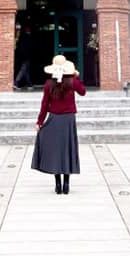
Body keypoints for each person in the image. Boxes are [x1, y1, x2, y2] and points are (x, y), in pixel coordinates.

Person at [32, 54, 86, 195]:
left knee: (55, 150)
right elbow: (83, 92)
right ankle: (66, 183)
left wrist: (39, 122)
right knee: (67, 148)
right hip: (68, 119)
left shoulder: (49, 84)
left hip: (54, 118)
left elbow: (44, 104)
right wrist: (76, 77)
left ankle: (57, 184)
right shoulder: (72, 82)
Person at [13, 25, 33, 90]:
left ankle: (29, 84)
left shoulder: (21, 37)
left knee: (26, 70)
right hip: (25, 56)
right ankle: (16, 83)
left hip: (21, 56)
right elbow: (28, 47)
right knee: (23, 69)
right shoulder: (27, 37)